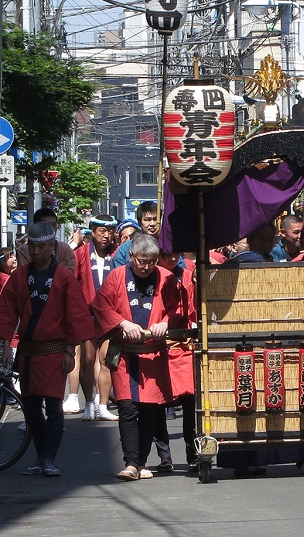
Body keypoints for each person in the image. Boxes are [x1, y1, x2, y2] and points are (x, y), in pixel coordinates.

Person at [0, 222, 94, 477]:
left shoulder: (63, 276)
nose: (37, 251)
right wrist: (7, 344)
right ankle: (41, 456)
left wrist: (69, 351)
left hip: (54, 351)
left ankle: (48, 457)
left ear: (52, 245)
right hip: (28, 352)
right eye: (33, 246)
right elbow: (7, 311)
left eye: (42, 246)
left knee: (53, 407)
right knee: (30, 409)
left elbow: (75, 314)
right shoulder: (19, 276)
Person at [92, 233, 185, 481]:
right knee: (128, 407)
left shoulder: (165, 278)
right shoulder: (117, 276)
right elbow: (101, 306)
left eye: (151, 261)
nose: (146, 267)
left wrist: (165, 322)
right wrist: (122, 322)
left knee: (151, 409)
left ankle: (140, 462)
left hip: (153, 354)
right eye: (141, 261)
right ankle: (131, 462)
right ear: (131, 256)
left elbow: (178, 309)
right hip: (125, 354)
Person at [71, 214, 120, 421]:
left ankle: (102, 403)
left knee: (105, 359)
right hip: (87, 313)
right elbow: (73, 284)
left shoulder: (117, 254)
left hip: (108, 314)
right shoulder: (81, 254)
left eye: (110, 232)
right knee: (88, 360)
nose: (106, 236)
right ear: (93, 231)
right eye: (102, 231)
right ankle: (89, 401)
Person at [157, 248, 198, 470]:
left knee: (190, 401)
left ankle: (192, 452)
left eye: (175, 254)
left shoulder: (188, 272)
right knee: (156, 404)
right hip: (157, 344)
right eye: (166, 254)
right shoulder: (151, 275)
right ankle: (164, 456)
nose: (172, 258)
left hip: (183, 345)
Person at [17, 208, 76, 272]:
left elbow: (70, 276)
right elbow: (23, 276)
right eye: (47, 225)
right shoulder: (25, 251)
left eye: (54, 225)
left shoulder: (64, 249)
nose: (52, 229)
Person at [111, 201, 159, 268]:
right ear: (139, 222)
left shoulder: (167, 245)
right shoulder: (125, 249)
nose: (152, 224)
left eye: (155, 219)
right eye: (147, 220)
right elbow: (118, 273)